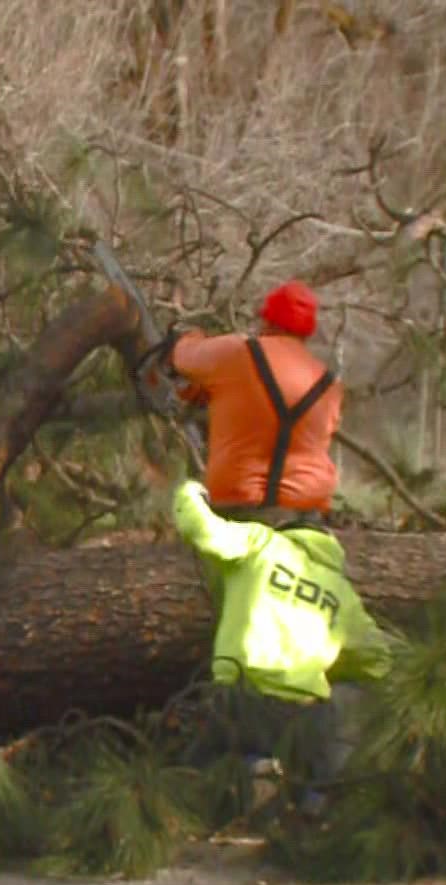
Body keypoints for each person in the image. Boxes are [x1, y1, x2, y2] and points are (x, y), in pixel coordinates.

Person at [168, 476, 391, 796]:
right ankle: (308, 813)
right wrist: (317, 667)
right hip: (307, 713)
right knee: (317, 786)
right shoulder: (342, 592)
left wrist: (190, 491)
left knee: (195, 777)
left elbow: (201, 528)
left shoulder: (261, 544)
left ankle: (252, 773)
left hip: (244, 699)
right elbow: (378, 661)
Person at [168, 280, 342, 529]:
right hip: (306, 513)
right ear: (308, 330)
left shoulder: (237, 353)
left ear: (267, 320)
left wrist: (189, 335)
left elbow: (181, 356)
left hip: (240, 508)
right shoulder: (330, 384)